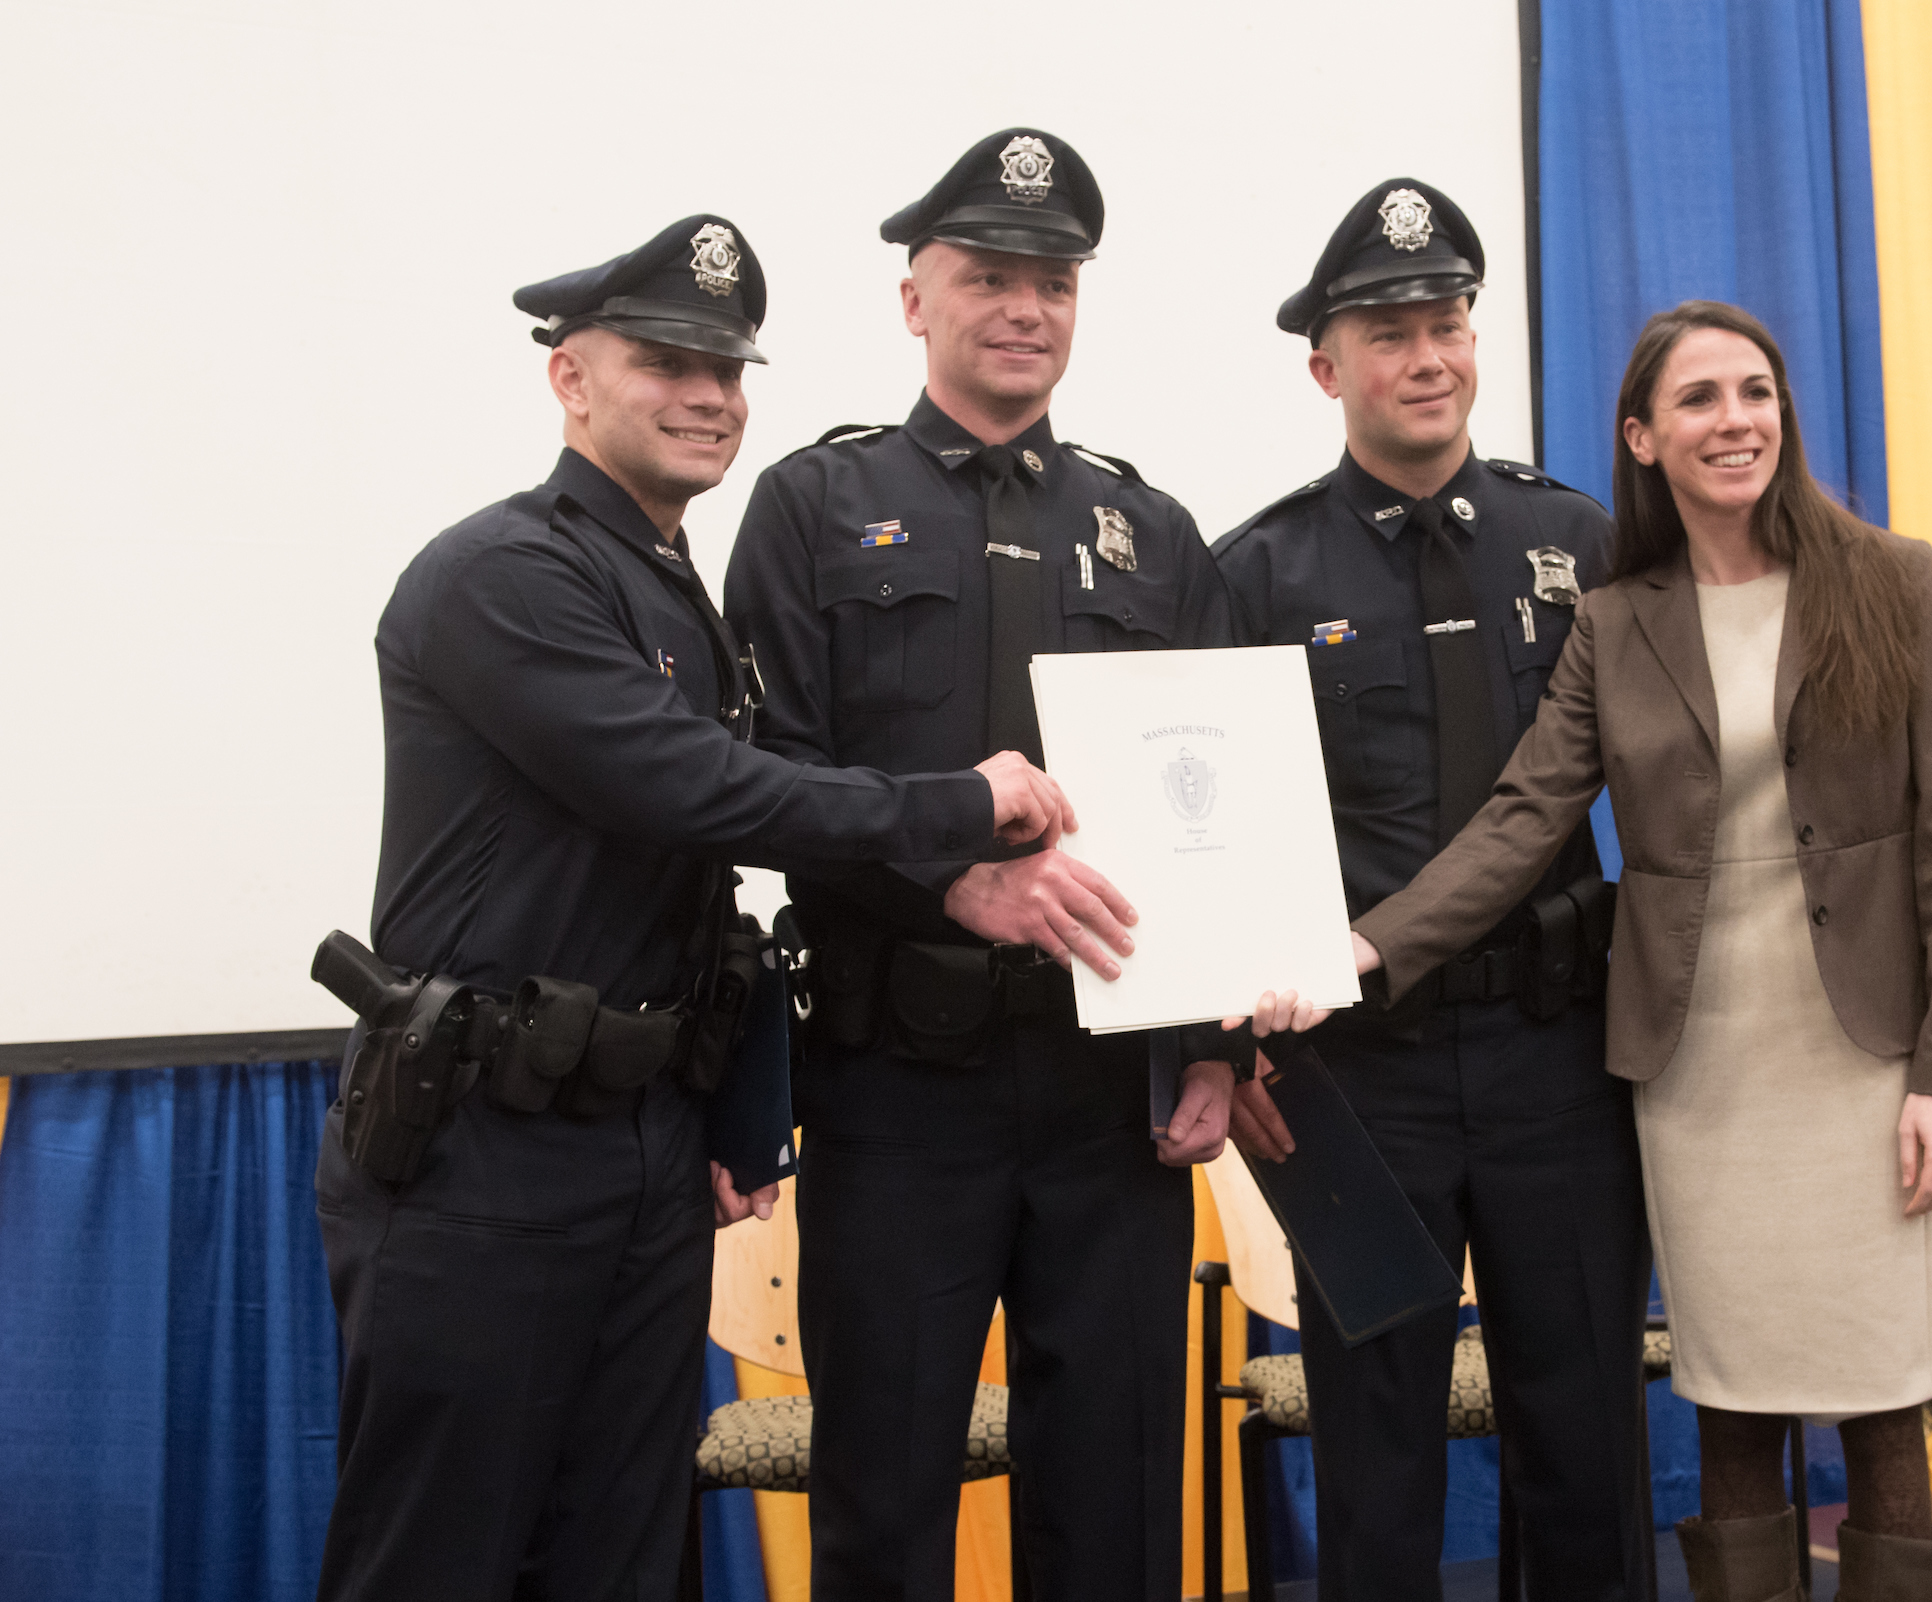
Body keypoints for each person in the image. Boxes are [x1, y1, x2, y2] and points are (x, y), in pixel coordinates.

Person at [310, 215, 1072, 1601]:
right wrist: (960, 806)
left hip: (639, 1144)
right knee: (443, 1556)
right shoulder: (505, 574)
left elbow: (685, 890)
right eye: (667, 363)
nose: (709, 395)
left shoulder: (672, 594)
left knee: (621, 1556)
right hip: (485, 1148)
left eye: (728, 369)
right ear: (570, 378)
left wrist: (736, 1105)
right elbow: (694, 790)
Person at [1346, 300, 1932, 1602]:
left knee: (1884, 1396)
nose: (1735, 420)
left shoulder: (1891, 579)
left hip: (1866, 1064)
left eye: (1755, 392)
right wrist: (1366, 949)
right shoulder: (1615, 620)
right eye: (1699, 399)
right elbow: (1523, 817)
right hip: (1699, 1077)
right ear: (1642, 437)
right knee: (1734, 1399)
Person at [722, 130, 1240, 1600]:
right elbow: (769, 782)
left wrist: (1213, 1044)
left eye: (1053, 282)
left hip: (1108, 1093)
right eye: (988, 277)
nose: (1025, 308)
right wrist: (952, 878)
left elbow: (1213, 806)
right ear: (915, 301)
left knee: (1117, 1503)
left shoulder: (1153, 533)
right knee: (885, 1504)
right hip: (899, 1080)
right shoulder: (814, 507)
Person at [1213, 179, 1653, 1601]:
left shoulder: (1576, 540)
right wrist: (1224, 1041)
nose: (1427, 357)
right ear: (1326, 368)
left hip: (1558, 1054)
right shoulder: (1257, 573)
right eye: (1389, 333)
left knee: (1585, 1436)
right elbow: (1217, 836)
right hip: (1361, 1073)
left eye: (1447, 323)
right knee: (1377, 1454)